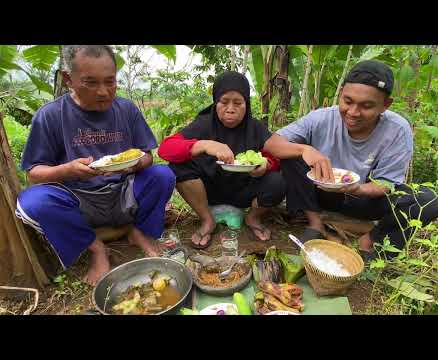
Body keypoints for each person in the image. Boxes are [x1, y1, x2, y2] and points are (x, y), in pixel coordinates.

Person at [15, 45, 175, 285]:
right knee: (33, 203)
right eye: (91, 83)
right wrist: (66, 170)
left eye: (110, 82)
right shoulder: (50, 116)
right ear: (69, 79)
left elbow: (147, 156)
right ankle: (96, 248)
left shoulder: (126, 109)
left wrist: (132, 166)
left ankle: (138, 232)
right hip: (79, 200)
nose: (103, 92)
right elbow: (33, 174)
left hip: (123, 193)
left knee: (162, 175)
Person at [263, 60, 438, 260]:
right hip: (320, 194)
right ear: (341, 93)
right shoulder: (321, 118)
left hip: (364, 198)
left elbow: (388, 184)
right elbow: (271, 144)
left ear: (385, 105)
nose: (353, 113)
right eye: (348, 101)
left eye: (366, 106)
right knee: (291, 155)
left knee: (430, 201)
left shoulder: (397, 130)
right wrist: (305, 149)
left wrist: (357, 189)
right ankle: (315, 224)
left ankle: (372, 238)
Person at [158, 71, 286, 249]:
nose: (230, 108)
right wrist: (204, 145)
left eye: (238, 103)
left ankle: (253, 217)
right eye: (224, 102)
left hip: (244, 191)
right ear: (215, 102)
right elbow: (165, 149)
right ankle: (207, 219)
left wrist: (266, 165)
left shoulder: (255, 127)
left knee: (278, 181)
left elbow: (276, 156)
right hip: (209, 191)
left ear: (247, 104)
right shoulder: (203, 124)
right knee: (177, 166)